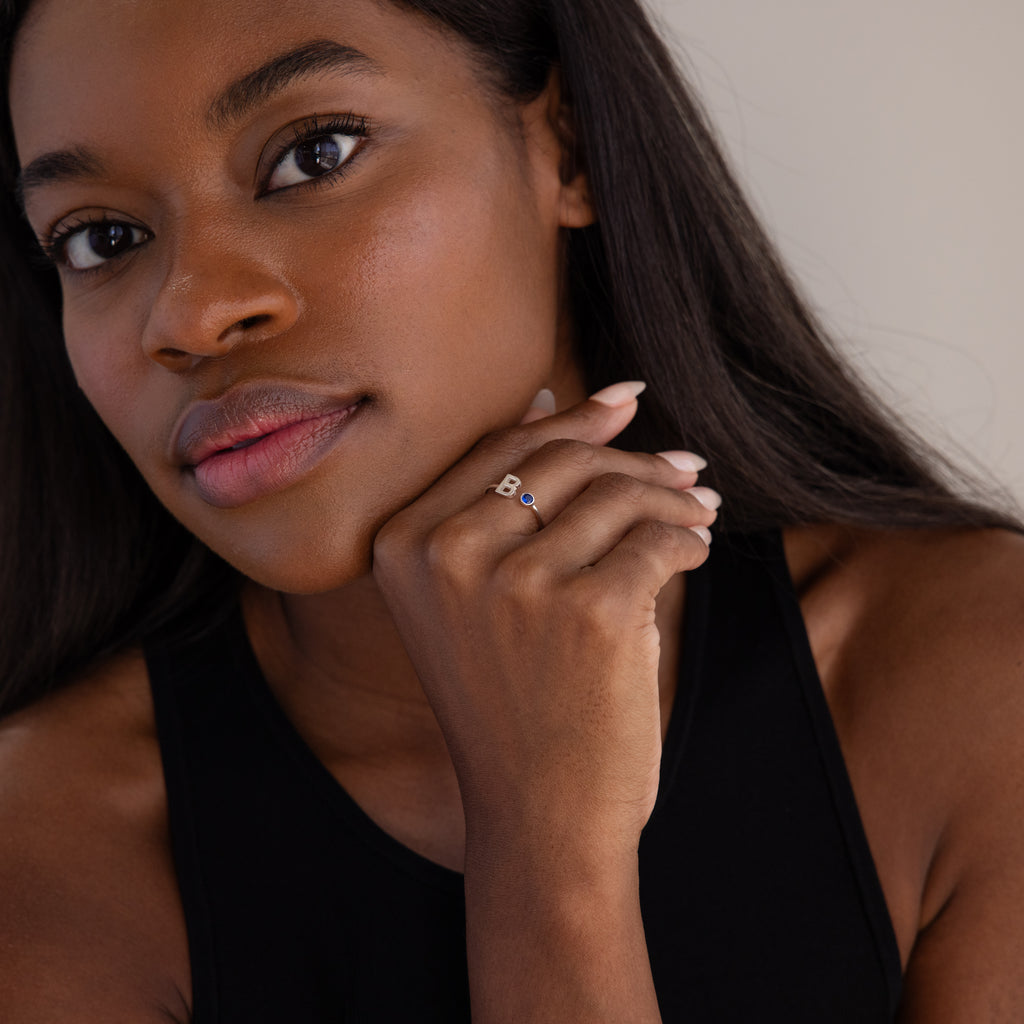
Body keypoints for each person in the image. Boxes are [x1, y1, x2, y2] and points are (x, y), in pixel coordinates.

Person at [1, 0, 1023, 1020]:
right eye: (103, 238)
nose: (188, 314)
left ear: (564, 143)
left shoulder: (969, 679)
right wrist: (544, 851)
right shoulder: (51, 845)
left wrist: (551, 847)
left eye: (314, 154)